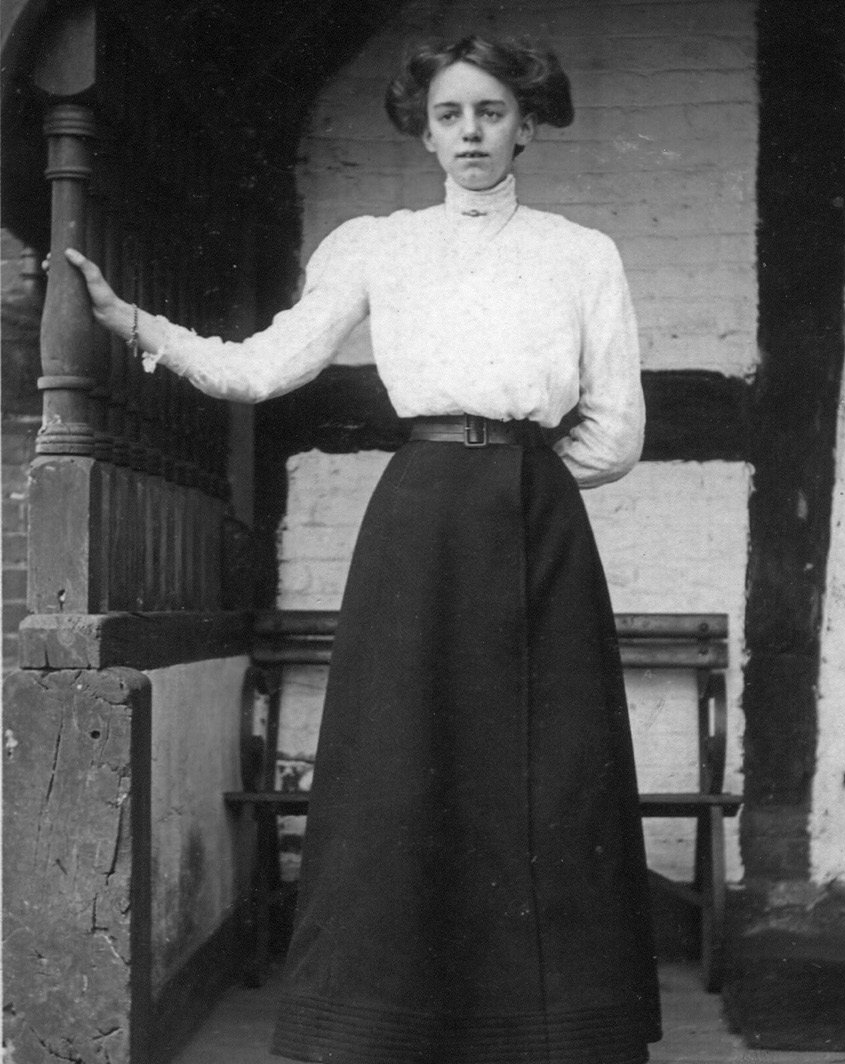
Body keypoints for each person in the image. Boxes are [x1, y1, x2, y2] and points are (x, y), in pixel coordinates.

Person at [65, 34, 661, 1064]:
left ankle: (553, 1028)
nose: (470, 132)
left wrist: (520, 473)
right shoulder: (377, 245)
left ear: (527, 122)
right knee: (403, 762)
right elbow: (263, 367)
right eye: (448, 114)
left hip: (535, 524)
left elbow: (615, 429)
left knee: (547, 766)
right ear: (422, 129)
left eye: (490, 111)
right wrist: (134, 325)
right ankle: (386, 1024)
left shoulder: (582, 254)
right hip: (418, 520)